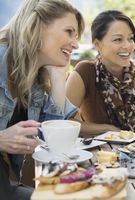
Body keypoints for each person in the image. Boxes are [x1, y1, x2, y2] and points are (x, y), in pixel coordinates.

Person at [0, 0, 84, 199]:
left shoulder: (34, 81)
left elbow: (53, 141)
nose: (76, 44)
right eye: (69, 31)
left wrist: (57, 78)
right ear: (37, 27)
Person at [66, 10, 135, 135]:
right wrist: (106, 130)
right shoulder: (84, 72)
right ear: (97, 44)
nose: (127, 45)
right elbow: (65, 121)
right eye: (118, 39)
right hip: (96, 152)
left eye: (130, 38)